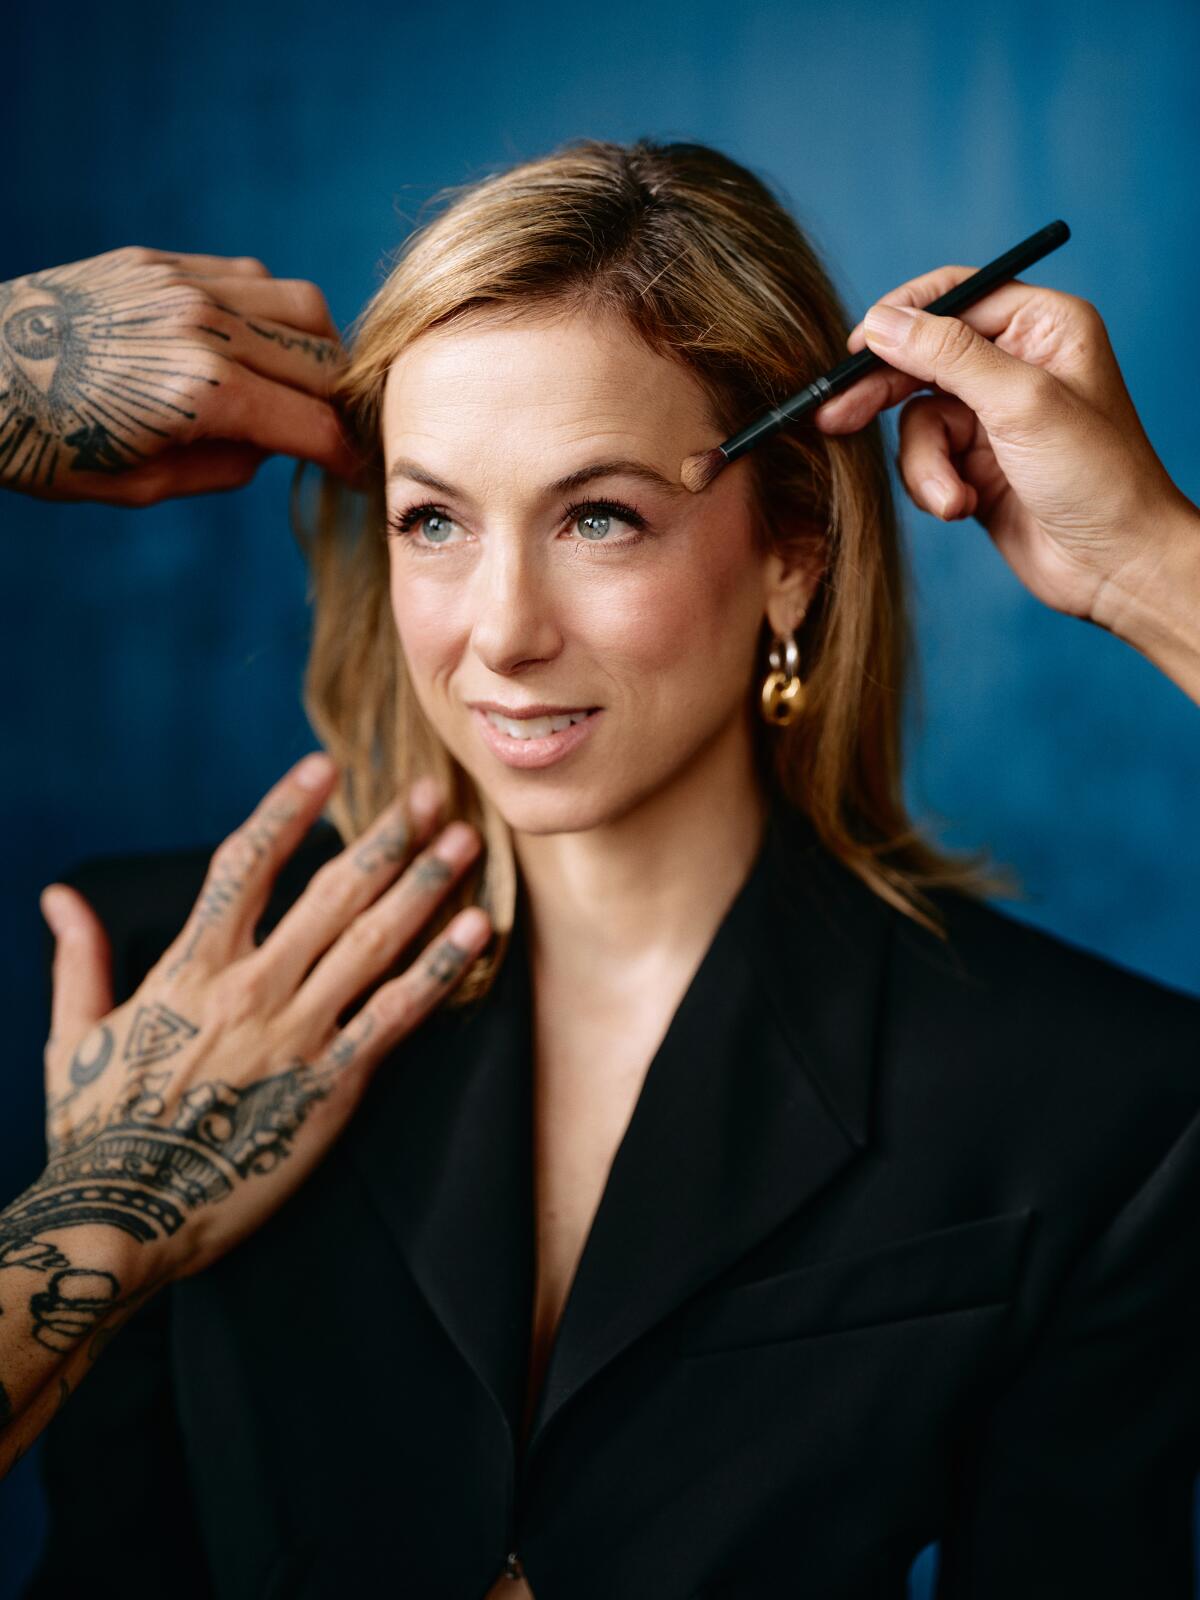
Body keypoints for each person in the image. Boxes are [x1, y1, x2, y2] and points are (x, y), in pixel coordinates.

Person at [1, 137, 1198, 1598]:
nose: (499, 631)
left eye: (599, 518)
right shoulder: (159, 991)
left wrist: (1152, 568)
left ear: (794, 555)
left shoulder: (1088, 1097)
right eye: (434, 518)